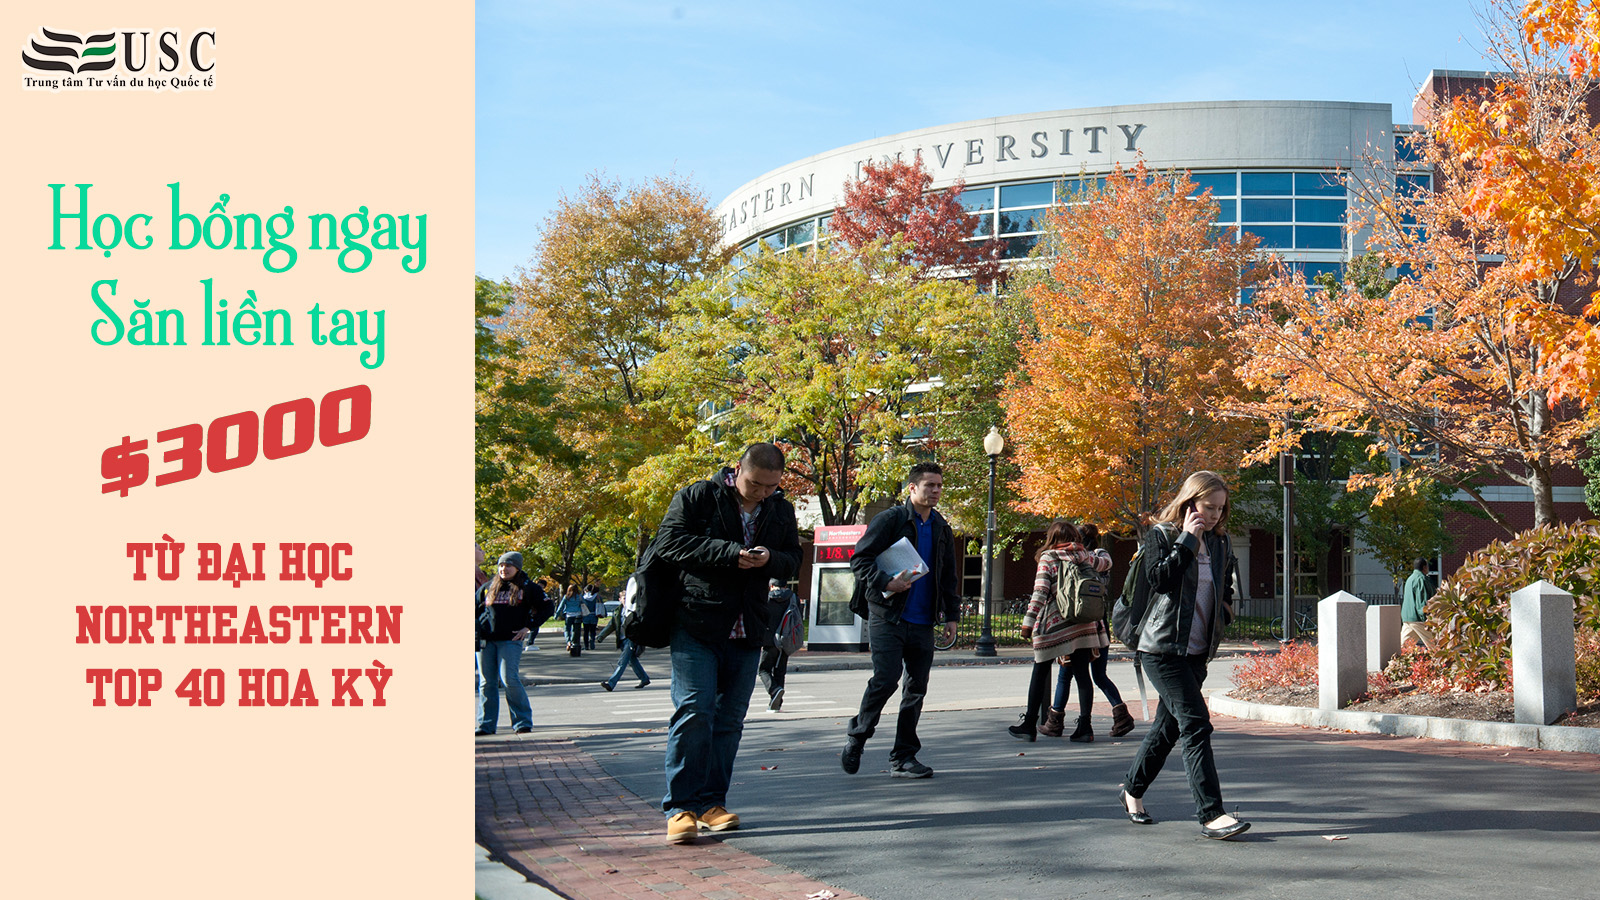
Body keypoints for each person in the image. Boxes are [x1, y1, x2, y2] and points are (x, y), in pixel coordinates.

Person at [653, 443, 800, 844]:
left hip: (748, 626)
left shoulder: (780, 509)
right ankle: (680, 807)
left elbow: (792, 559)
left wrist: (769, 557)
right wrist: (728, 554)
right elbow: (668, 544)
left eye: (772, 487)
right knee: (695, 710)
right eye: (756, 484)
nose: (763, 493)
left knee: (729, 721)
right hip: (696, 622)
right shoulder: (699, 496)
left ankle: (711, 803)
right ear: (739, 470)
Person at [1118, 471, 1249, 840]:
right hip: (1161, 648)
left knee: (1167, 728)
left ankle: (1132, 790)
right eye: (1209, 507)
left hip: (1196, 653)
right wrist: (1188, 540)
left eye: (1220, 510)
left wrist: (1225, 608)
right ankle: (1211, 814)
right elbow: (1160, 580)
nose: (1214, 516)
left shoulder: (1221, 542)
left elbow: (1224, 583)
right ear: (1190, 502)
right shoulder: (1162, 535)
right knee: (1196, 724)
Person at [841, 461, 960, 780]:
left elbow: (948, 575)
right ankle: (858, 735)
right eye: (929, 485)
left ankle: (904, 757)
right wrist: (885, 581)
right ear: (912, 488)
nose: (935, 490)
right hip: (888, 614)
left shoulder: (941, 528)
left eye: (939, 485)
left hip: (922, 621)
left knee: (916, 688)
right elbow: (859, 559)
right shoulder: (891, 519)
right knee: (886, 679)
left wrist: (951, 616)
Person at [1014, 520, 1112, 742]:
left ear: (1052, 537)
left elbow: (1040, 592)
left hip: (1055, 624)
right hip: (1084, 624)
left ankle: (1030, 723)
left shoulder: (1049, 557)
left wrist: (1028, 623)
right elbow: (1106, 563)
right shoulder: (1085, 556)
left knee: (1040, 670)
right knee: (1082, 675)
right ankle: (1085, 727)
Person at [1043, 523, 1136, 740]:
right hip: (1098, 623)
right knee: (1098, 675)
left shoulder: (1077, 559)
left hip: (1076, 623)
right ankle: (1121, 716)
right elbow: (1107, 566)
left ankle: (1056, 722)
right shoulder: (1098, 557)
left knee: (1066, 674)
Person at [475, 552, 540, 736]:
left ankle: (522, 722)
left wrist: (528, 627)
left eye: (508, 565)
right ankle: (486, 725)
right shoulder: (488, 587)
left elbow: (546, 607)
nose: (504, 569)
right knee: (486, 683)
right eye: (501, 565)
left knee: (509, 679)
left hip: (509, 641)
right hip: (486, 641)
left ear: (517, 568)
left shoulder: (527, 587)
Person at [597, 591, 651, 691]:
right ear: (620, 600)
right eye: (624, 598)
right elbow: (611, 626)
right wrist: (601, 636)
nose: (626, 600)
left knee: (622, 662)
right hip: (622, 640)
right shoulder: (618, 611)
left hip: (631, 640)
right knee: (632, 661)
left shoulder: (634, 611)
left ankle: (611, 684)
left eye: (628, 598)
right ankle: (644, 678)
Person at [758, 578, 798, 712]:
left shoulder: (767, 598)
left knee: (763, 669)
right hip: (786, 639)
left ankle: (774, 690)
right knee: (780, 672)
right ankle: (776, 704)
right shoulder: (793, 597)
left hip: (770, 640)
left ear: (771, 586)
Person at [1401, 558, 1437, 650]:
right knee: (1435, 646)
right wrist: (1427, 618)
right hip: (1418, 620)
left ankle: (1394, 663)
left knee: (1403, 648)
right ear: (1424, 567)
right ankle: (1444, 663)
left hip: (1407, 618)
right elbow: (1422, 602)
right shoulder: (1421, 579)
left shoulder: (1410, 579)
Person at [560, 584, 583, 653]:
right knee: (575, 630)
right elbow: (584, 603)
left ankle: (568, 641)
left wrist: (557, 614)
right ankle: (573, 641)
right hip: (578, 615)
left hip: (569, 615)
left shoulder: (566, 597)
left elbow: (561, 606)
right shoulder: (579, 597)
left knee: (567, 629)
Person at [581, 586, 601, 650]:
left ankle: (586, 646)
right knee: (593, 630)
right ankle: (592, 641)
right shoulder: (597, 597)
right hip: (594, 615)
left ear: (586, 590)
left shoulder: (583, 597)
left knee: (586, 631)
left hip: (586, 615)